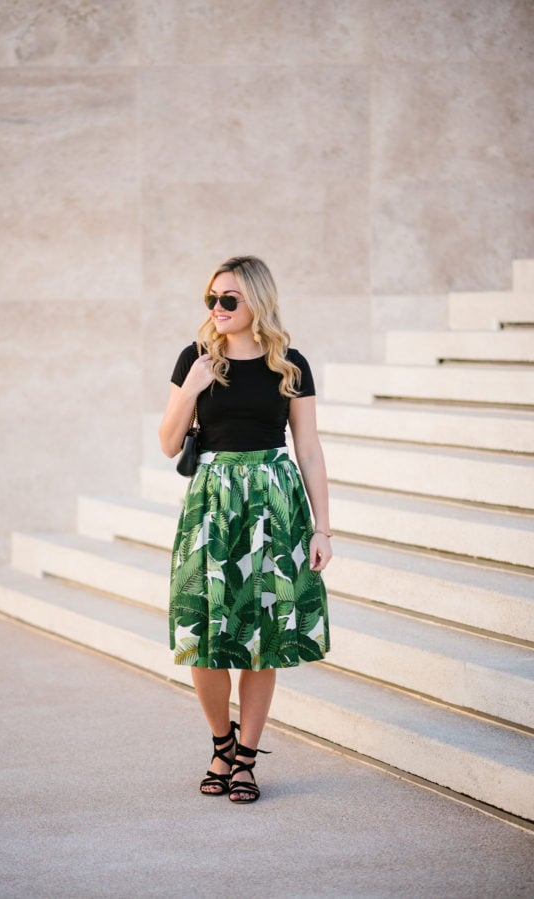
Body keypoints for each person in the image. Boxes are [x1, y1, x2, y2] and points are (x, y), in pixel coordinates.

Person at [158, 255, 332, 804]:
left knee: (263, 637)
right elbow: (167, 443)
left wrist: (322, 529)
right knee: (204, 634)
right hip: (210, 505)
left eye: (228, 299)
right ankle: (220, 743)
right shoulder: (196, 357)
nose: (217, 308)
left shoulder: (290, 363)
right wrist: (192, 387)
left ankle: (247, 759)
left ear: (256, 300)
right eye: (211, 299)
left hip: (274, 504)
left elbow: (307, 448)